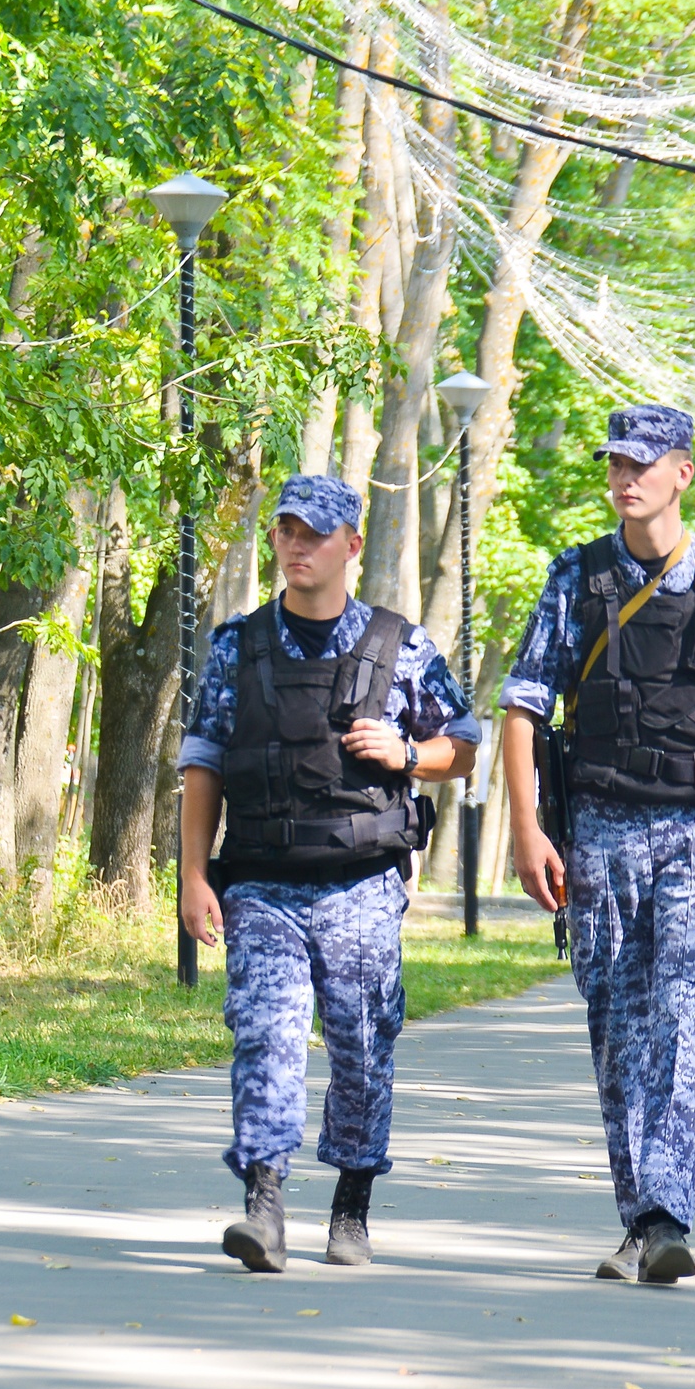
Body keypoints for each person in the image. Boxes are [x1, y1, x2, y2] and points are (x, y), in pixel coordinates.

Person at [498, 405, 695, 1285]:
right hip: (600, 830)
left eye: (643, 463)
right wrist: (527, 830)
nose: (626, 478)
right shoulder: (576, 578)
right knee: (618, 1026)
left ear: (682, 473)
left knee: (681, 1011)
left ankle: (666, 1214)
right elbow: (522, 706)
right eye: (616, 464)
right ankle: (640, 1217)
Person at [178, 473, 481, 1273]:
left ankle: (352, 1203)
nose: (297, 545)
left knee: (361, 1041)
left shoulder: (400, 646)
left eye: (314, 533)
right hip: (262, 881)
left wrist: (407, 752)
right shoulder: (237, 646)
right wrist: (192, 876)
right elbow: (204, 763)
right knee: (265, 1032)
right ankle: (264, 1204)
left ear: (352, 544)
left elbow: (464, 744)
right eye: (286, 530)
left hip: (362, 882)